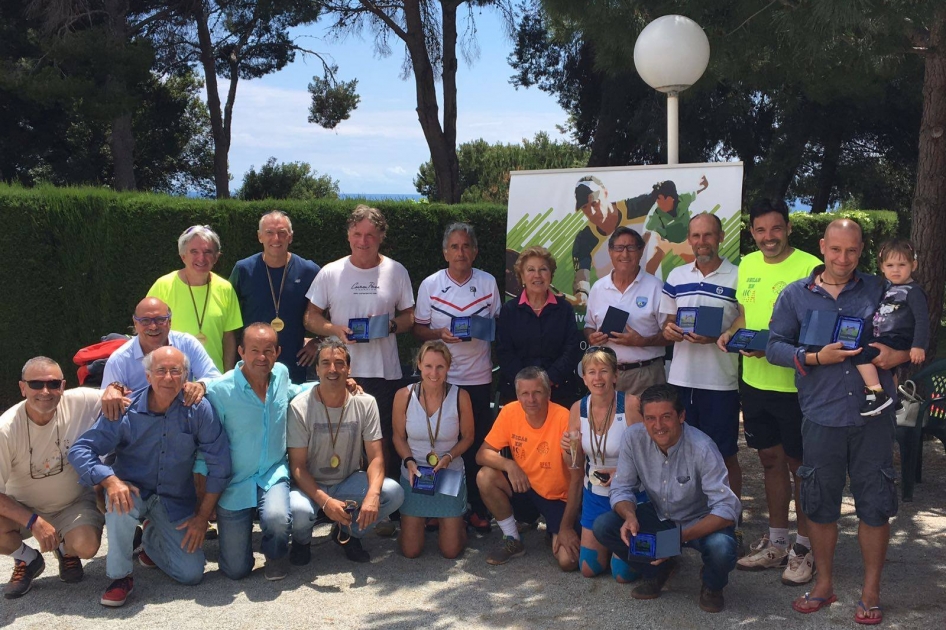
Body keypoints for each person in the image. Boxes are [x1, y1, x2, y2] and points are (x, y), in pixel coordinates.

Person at [767, 219, 910, 624]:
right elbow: (774, 345)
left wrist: (896, 358)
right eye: (835, 250)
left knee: (875, 505)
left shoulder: (882, 289)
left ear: (861, 249)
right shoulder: (795, 295)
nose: (842, 259)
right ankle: (824, 585)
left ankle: (870, 591)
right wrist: (814, 358)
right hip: (821, 415)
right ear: (822, 246)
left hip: (874, 417)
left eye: (851, 251)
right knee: (820, 505)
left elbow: (912, 336)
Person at [69, 347, 231, 607]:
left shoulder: (199, 410)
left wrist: (202, 517)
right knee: (119, 503)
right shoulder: (125, 410)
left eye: (175, 371)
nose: (168, 377)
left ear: (186, 376)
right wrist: (109, 481)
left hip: (174, 499)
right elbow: (80, 450)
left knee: (191, 574)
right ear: (148, 377)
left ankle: (151, 539)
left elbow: (220, 464)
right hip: (131, 491)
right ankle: (121, 577)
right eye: (161, 371)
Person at [716, 199, 819, 583]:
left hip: (796, 386)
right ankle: (777, 543)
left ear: (788, 228)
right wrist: (732, 331)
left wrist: (775, 348)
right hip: (755, 382)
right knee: (771, 462)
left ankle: (805, 548)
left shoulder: (810, 267)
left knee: (800, 468)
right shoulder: (748, 264)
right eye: (760, 230)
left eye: (775, 229)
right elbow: (746, 312)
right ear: (752, 233)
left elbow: (816, 330)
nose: (768, 237)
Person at [592, 384, 740, 613]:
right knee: (605, 526)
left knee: (722, 548)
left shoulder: (703, 447)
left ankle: (712, 585)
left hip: (701, 521)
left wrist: (675, 540)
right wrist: (629, 515)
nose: (658, 426)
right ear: (642, 419)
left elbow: (727, 510)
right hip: (661, 517)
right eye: (650, 418)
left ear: (681, 416)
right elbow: (621, 488)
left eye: (666, 417)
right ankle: (659, 570)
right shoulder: (633, 438)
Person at [304, 205, 414, 489]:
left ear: (381, 237)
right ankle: (340, 502)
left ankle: (384, 504)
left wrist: (389, 326)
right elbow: (310, 316)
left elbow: (410, 317)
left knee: (383, 439)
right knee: (341, 439)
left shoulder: (396, 271)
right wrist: (334, 330)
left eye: (370, 235)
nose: (363, 241)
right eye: (357, 234)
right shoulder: (331, 272)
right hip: (338, 372)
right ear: (348, 236)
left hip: (384, 372)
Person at [203, 323, 313, 581]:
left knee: (277, 518)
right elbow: (207, 442)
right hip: (235, 481)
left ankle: (276, 555)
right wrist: (204, 491)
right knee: (235, 571)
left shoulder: (282, 374)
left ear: (278, 352)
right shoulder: (219, 390)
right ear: (241, 351)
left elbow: (297, 392)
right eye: (254, 350)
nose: (262, 357)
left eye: (268, 350)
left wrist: (337, 385)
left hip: (272, 472)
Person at [413, 222, 500, 531]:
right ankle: (436, 506)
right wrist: (439, 333)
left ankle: (475, 508)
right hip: (439, 379)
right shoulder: (430, 284)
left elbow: (497, 327)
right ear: (445, 252)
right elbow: (418, 329)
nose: (460, 252)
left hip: (477, 378)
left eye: (466, 246)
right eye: (454, 246)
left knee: (474, 446)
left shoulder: (488, 283)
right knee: (436, 442)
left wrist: (482, 330)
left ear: (474, 252)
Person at [287, 339, 404, 564]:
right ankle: (302, 542)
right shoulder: (300, 407)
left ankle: (349, 533)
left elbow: (376, 457)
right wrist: (325, 501)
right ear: (317, 368)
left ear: (349, 368)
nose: (333, 369)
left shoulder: (365, 403)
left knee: (393, 493)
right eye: (326, 363)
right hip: (310, 484)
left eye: (340, 363)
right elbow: (298, 467)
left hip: (347, 481)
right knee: (298, 512)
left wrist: (372, 495)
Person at [660, 213, 743, 517]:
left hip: (720, 382)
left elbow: (744, 325)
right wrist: (669, 331)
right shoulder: (677, 276)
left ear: (721, 237)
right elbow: (667, 324)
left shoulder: (739, 275)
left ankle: (730, 521)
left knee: (725, 456)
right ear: (689, 240)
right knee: (681, 455)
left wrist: (719, 337)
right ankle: (690, 519)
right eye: (696, 236)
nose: (701, 242)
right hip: (681, 380)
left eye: (708, 235)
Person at [1, 358, 104, 599]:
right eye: (36, 384)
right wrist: (34, 522)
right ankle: (27, 559)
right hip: (25, 508)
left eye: (53, 384)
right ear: (22, 387)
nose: (45, 391)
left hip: (72, 503)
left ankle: (66, 549)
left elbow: (118, 392)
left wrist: (117, 390)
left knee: (87, 547)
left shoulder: (81, 401)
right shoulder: (6, 429)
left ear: (63, 385)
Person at [476, 367, 582, 570]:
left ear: (549, 393)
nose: (531, 399)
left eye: (537, 392)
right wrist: (509, 464)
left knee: (568, 562)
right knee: (485, 476)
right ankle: (512, 538)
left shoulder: (564, 418)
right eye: (525, 393)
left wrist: (566, 526)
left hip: (557, 497)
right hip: (524, 487)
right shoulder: (509, 411)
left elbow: (577, 476)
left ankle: (556, 529)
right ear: (517, 396)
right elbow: (482, 454)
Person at [561, 347, 642, 580]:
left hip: (631, 492)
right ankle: (610, 546)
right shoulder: (578, 408)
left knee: (622, 574)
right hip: (596, 493)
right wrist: (567, 448)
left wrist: (622, 473)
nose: (598, 378)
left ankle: (643, 543)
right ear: (584, 378)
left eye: (604, 371)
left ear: (615, 376)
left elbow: (650, 456)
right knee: (588, 568)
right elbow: (575, 466)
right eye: (591, 372)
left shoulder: (631, 404)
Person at [392, 341, 474, 558]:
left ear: (448, 367)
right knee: (410, 551)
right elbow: (398, 437)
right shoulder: (404, 396)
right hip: (415, 473)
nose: (434, 373)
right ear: (419, 365)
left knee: (451, 551)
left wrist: (448, 456)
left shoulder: (460, 396)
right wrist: (408, 460)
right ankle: (415, 523)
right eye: (428, 366)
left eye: (440, 367)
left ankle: (458, 523)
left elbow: (468, 437)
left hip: (449, 472)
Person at [229, 211, 321, 384]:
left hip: (294, 364)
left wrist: (318, 341)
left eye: (282, 233)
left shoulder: (309, 271)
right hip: (251, 364)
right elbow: (227, 314)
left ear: (290, 237)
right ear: (260, 236)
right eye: (269, 232)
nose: (276, 239)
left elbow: (330, 309)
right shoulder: (243, 270)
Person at [100, 297, 220, 420]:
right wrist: (113, 390)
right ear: (135, 324)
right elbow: (107, 404)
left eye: (160, 320)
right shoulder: (119, 361)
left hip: (183, 422)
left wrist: (201, 385)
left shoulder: (187, 344)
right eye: (145, 321)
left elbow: (215, 379)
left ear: (170, 321)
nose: (153, 326)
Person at [584, 227, 669, 396]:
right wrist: (591, 337)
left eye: (631, 248)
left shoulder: (656, 287)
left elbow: (670, 336)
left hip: (647, 374)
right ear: (610, 252)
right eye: (619, 248)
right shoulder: (598, 288)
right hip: (607, 376)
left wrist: (642, 341)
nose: (625, 254)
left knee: (649, 422)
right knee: (608, 423)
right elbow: (589, 326)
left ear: (640, 251)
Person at [850, 238, 929, 416]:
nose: (896, 270)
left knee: (861, 354)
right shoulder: (886, 288)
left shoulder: (913, 291)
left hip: (899, 339)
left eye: (902, 264)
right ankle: (894, 400)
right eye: (890, 265)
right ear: (882, 267)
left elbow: (922, 320)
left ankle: (876, 394)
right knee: (889, 369)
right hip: (884, 337)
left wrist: (918, 346)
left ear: (913, 265)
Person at [147, 225, 243, 372]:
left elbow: (228, 338)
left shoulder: (226, 289)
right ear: (183, 255)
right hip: (171, 380)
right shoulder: (163, 286)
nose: (201, 258)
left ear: (216, 257)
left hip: (212, 380)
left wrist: (227, 376)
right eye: (194, 252)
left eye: (208, 252)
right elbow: (147, 332)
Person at [497, 247, 582, 408]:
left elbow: (571, 349)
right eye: (530, 270)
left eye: (543, 269)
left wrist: (548, 380)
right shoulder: (509, 310)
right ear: (521, 276)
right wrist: (527, 385)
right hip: (517, 395)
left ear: (550, 275)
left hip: (558, 391)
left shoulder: (564, 309)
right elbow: (504, 351)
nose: (537, 275)